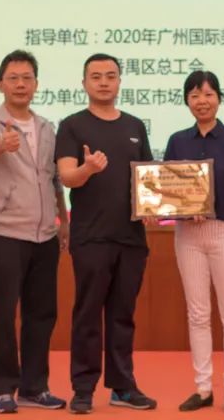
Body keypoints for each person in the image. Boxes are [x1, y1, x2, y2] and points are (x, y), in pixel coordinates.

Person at [55, 54, 157, 414]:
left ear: (119, 82)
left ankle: (122, 386)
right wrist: (87, 169)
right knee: (87, 314)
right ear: (84, 83)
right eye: (96, 76)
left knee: (122, 314)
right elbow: (67, 177)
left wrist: (155, 207)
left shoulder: (134, 125)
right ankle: (83, 388)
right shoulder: (72, 126)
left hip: (131, 237)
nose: (103, 82)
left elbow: (148, 177)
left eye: (110, 76)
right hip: (91, 236)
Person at [0, 49, 69, 413]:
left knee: (41, 314)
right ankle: (2, 389)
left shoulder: (47, 128)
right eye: (13, 78)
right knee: (2, 313)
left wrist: (64, 221)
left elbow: (54, 179)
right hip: (5, 233)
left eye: (27, 78)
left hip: (45, 235)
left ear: (36, 84)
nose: (20, 84)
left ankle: (34, 386)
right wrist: (2, 144)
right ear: (0, 84)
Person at [163, 71, 224, 414]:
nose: (202, 101)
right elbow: (167, 191)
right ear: (187, 101)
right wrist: (179, 208)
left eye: (208, 94)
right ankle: (203, 388)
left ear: (219, 98)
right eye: (194, 95)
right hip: (188, 236)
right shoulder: (177, 141)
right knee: (197, 314)